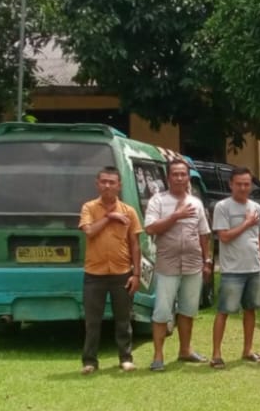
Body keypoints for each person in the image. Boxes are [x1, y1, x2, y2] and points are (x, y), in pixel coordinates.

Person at [143, 159, 211, 371]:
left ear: (188, 177)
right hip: (168, 264)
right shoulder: (158, 201)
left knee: (188, 310)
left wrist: (206, 260)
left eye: (183, 174)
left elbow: (204, 234)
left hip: (193, 264)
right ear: (168, 177)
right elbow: (151, 229)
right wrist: (176, 216)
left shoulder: (196, 203)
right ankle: (158, 356)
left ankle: (185, 350)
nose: (180, 178)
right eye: (175, 174)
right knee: (162, 311)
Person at [78, 166, 143, 374]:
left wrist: (136, 274)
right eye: (103, 181)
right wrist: (110, 218)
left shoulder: (129, 211)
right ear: (97, 184)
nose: (107, 185)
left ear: (119, 185)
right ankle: (90, 361)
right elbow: (89, 231)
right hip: (94, 275)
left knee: (123, 319)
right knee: (92, 321)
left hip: (121, 272)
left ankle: (125, 358)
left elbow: (135, 245)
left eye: (111, 182)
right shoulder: (89, 208)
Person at [209, 167, 260, 367]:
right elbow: (223, 237)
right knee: (224, 311)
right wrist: (246, 223)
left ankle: (248, 349)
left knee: (251, 310)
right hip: (232, 270)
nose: (243, 188)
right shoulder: (222, 207)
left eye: (247, 184)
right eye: (239, 184)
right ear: (231, 184)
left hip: (253, 268)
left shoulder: (256, 208)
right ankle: (216, 354)